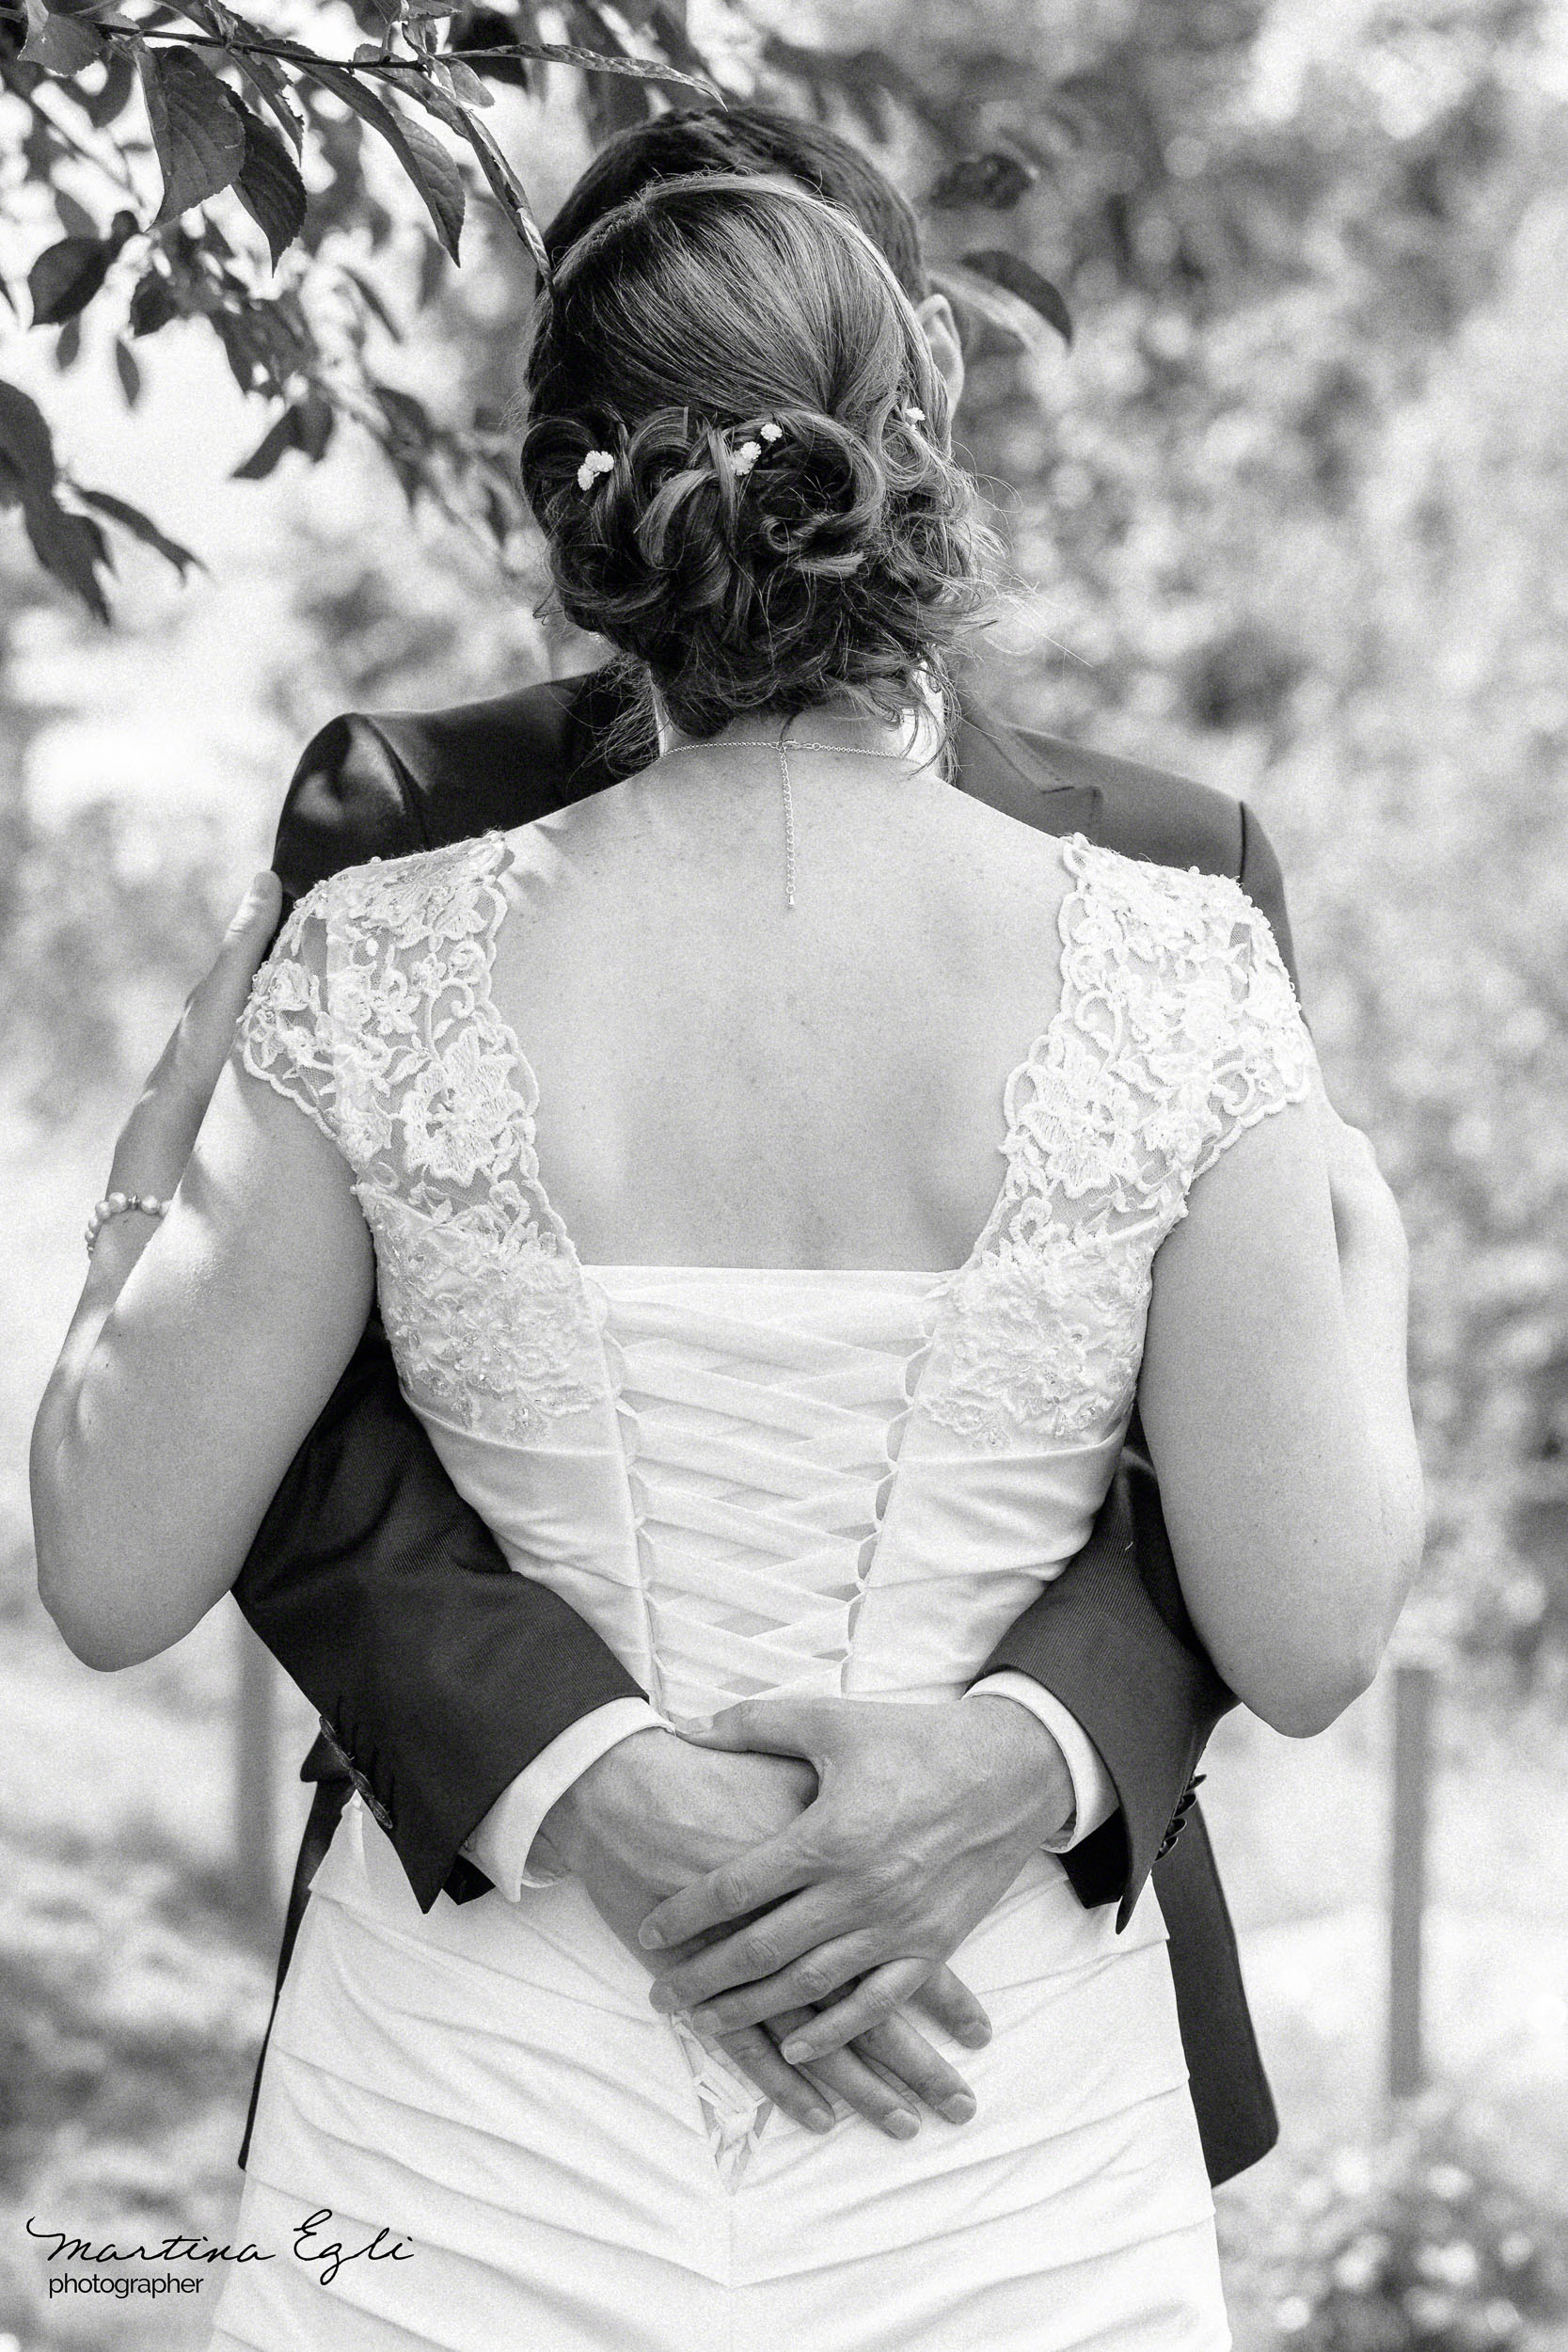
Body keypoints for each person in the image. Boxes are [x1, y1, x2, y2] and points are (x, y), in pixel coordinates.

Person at [34, 173, 1422, 2350]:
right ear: (916, 432)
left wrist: (145, 1195)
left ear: (560, 502)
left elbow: (112, 1575)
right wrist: (1382, 1281)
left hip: (467, 2141)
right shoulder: (1177, 972)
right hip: (992, 2127)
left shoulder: (380, 965)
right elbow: (1319, 1631)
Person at [237, 106, 1313, 2183]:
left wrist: (1025, 1757)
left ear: (918, 369)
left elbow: (1239, 1438)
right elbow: (289, 1417)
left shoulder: (1178, 869)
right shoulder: (397, 822)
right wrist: (577, 1769)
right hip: (495, 1984)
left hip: (1023, 2005)